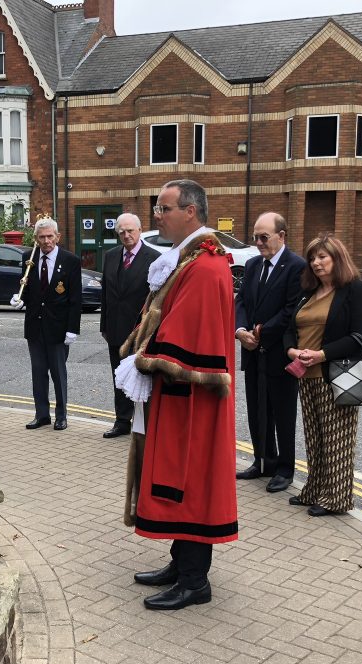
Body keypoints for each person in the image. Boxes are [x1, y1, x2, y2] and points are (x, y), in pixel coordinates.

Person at [119, 179, 237, 611]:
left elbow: (189, 336)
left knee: (192, 483)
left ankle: (194, 580)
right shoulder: (190, 260)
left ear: (190, 211)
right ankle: (179, 562)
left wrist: (145, 360)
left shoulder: (205, 267)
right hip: (179, 398)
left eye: (163, 208)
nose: (157, 215)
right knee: (176, 481)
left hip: (194, 401)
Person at [284, 234, 362, 517]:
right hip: (306, 375)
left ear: (337, 258)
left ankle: (337, 498)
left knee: (338, 441)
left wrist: (321, 354)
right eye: (312, 258)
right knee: (316, 438)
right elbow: (290, 328)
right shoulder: (308, 291)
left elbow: (359, 337)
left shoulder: (356, 289)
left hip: (336, 374)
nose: (316, 263)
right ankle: (314, 489)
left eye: (322, 257)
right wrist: (291, 351)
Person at [234, 212, 305, 492]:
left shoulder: (296, 266)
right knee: (257, 409)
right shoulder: (252, 265)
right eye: (255, 238)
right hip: (253, 351)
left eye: (264, 237)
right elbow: (241, 302)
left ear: (281, 236)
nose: (259, 243)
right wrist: (240, 331)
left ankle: (285, 468)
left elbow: (291, 310)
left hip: (279, 352)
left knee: (282, 413)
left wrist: (261, 332)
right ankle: (262, 461)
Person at [99, 212, 160, 438]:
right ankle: (122, 421)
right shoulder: (111, 256)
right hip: (115, 329)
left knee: (143, 377)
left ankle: (145, 423)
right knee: (119, 378)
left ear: (140, 230)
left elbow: (156, 298)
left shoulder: (153, 257)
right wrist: (104, 325)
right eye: (122, 232)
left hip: (141, 332)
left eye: (130, 231)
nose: (126, 235)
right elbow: (106, 293)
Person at [21, 218, 81, 431]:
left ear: (58, 237)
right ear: (36, 239)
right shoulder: (28, 258)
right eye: (41, 237)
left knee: (58, 373)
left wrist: (73, 329)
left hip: (58, 329)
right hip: (35, 328)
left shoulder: (71, 261)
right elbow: (27, 291)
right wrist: (20, 300)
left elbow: (75, 299)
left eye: (50, 236)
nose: (46, 241)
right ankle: (42, 414)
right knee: (38, 373)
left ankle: (61, 415)